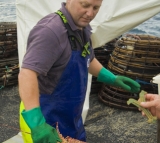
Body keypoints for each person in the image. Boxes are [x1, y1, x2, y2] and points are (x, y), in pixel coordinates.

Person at [18, 0, 140, 142]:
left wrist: (112, 78)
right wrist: (37, 123)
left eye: (96, 8)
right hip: (45, 118)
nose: (90, 13)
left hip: (70, 117)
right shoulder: (50, 31)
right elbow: (27, 74)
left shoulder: (82, 27)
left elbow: (87, 57)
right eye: (85, 5)